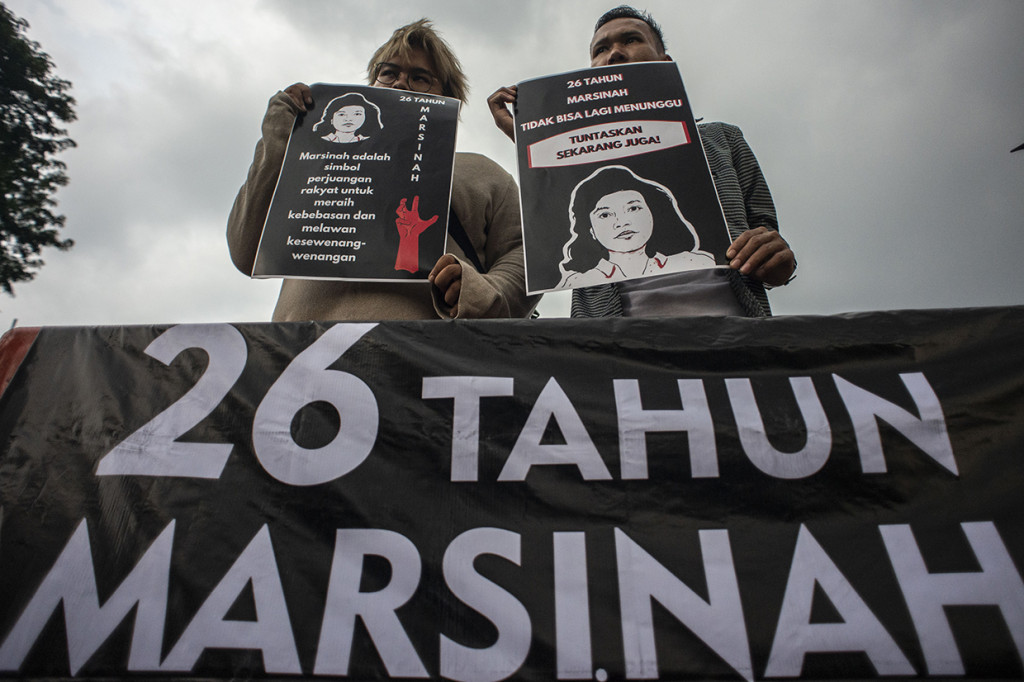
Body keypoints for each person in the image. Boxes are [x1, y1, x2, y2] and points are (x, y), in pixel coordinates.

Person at [488, 5, 796, 318]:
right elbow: (554, 220)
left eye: (632, 40)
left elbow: (767, 236)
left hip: (735, 340)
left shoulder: (723, 140)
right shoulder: (578, 161)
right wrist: (531, 141)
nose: (615, 54)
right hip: (618, 355)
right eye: (601, 49)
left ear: (665, 64)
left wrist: (778, 261)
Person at [229, 19, 538, 321]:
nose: (401, 82)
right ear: (372, 86)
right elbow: (248, 253)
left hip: (425, 360)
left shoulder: (481, 172)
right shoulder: (316, 164)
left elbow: (529, 254)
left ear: (445, 99)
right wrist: (282, 136)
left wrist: (479, 291)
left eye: (420, 78)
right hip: (302, 358)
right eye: (388, 73)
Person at [559, 165, 713, 288]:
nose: (622, 222)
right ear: (590, 230)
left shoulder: (698, 262)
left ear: (653, 214)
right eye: (605, 215)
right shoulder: (578, 281)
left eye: (633, 209)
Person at [313, 92, 382, 143]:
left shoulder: (373, 142)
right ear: (331, 119)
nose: (349, 119)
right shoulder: (318, 141)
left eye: (357, 114)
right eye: (341, 114)